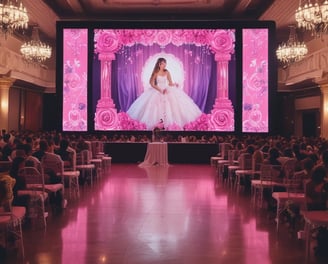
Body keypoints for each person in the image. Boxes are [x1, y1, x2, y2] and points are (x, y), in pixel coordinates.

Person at [127, 57, 202, 130]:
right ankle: (158, 126)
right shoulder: (156, 73)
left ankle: (171, 126)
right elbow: (152, 83)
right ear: (159, 64)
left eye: (165, 63)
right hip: (157, 90)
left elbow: (170, 83)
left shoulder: (167, 72)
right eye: (163, 63)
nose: (164, 65)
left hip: (166, 90)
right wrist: (160, 90)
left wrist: (175, 84)